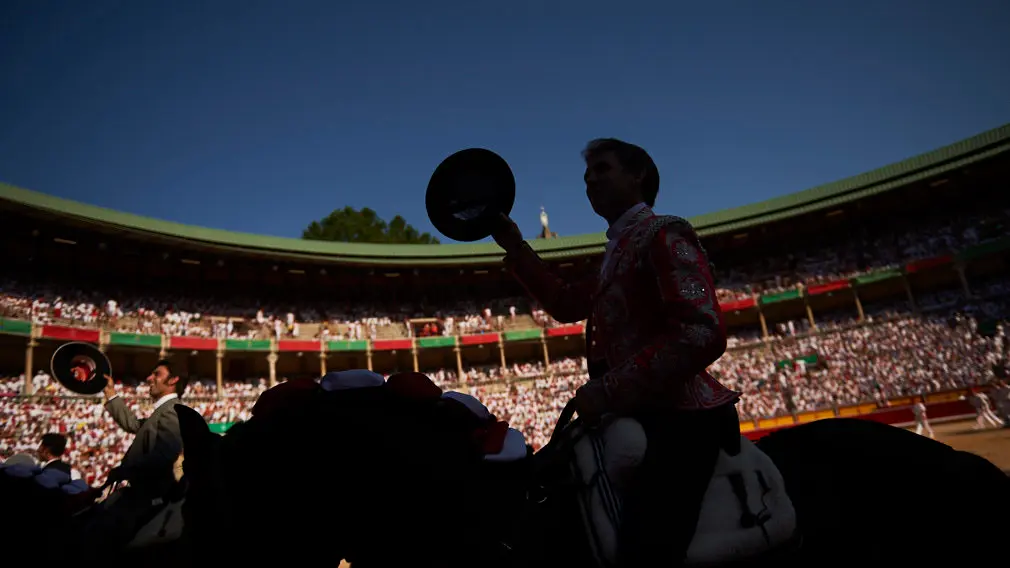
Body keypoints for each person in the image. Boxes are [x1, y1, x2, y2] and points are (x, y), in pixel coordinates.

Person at [492, 138, 740, 567]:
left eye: (602, 169)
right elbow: (568, 303)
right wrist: (515, 246)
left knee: (647, 552)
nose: (589, 180)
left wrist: (608, 389)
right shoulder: (618, 251)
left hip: (679, 416)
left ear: (638, 174)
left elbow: (703, 330)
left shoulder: (665, 232)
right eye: (586, 175)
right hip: (633, 413)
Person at [76, 359, 188, 554]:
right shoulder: (164, 411)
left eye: (157, 374)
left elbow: (163, 457)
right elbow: (133, 424)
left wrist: (123, 472)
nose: (149, 378)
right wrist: (111, 394)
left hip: (145, 499)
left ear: (173, 380)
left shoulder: (172, 412)